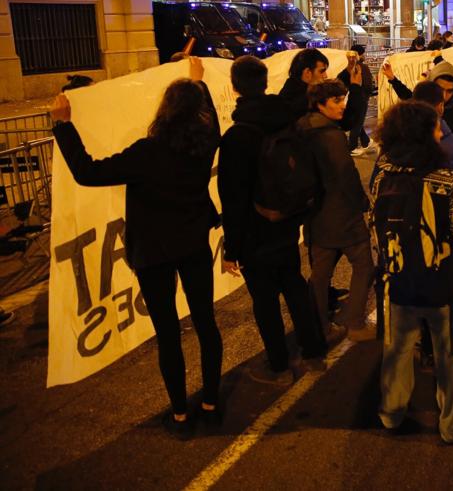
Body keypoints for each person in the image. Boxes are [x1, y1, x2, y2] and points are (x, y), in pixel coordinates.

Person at [51, 58, 223, 438]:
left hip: (153, 253)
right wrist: (201, 84)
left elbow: (87, 172)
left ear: (164, 111)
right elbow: (214, 120)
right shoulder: (205, 144)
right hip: (192, 245)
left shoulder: (147, 152)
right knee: (206, 323)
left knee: (167, 333)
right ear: (198, 115)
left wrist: (63, 125)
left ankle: (180, 415)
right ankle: (211, 403)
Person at [370, 101, 453, 445]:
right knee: (449, 357)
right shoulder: (448, 179)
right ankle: (452, 425)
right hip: (442, 283)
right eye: (434, 127)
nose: (439, 132)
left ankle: (391, 413)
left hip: (399, 279)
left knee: (398, 350)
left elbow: (376, 223)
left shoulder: (383, 174)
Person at [219, 56, 326, 386]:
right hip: (287, 220)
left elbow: (233, 198)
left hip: (255, 231)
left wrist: (231, 248)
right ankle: (313, 350)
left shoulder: (237, 136)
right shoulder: (286, 119)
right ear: (265, 82)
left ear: (235, 87)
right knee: (294, 284)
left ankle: (278, 365)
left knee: (265, 301)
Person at [298, 80, 377, 345]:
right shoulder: (330, 136)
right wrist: (362, 203)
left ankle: (319, 327)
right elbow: (346, 174)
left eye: (342, 99)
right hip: (341, 213)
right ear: (320, 104)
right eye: (336, 101)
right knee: (364, 265)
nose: (342, 105)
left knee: (320, 274)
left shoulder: (303, 127)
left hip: (314, 213)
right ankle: (353, 321)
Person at [279, 48, 329, 121]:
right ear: (307, 72)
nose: (326, 76)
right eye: (322, 71)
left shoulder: (309, 91)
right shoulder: (293, 99)